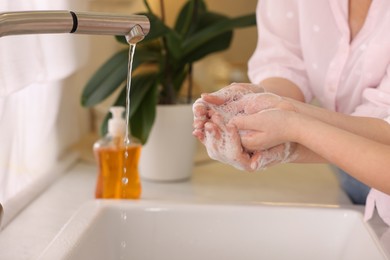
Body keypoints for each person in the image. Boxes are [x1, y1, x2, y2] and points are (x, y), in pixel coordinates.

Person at [193, 0, 390, 225]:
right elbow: (286, 64)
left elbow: (386, 129)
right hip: (355, 177)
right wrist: (262, 104)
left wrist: (292, 124)